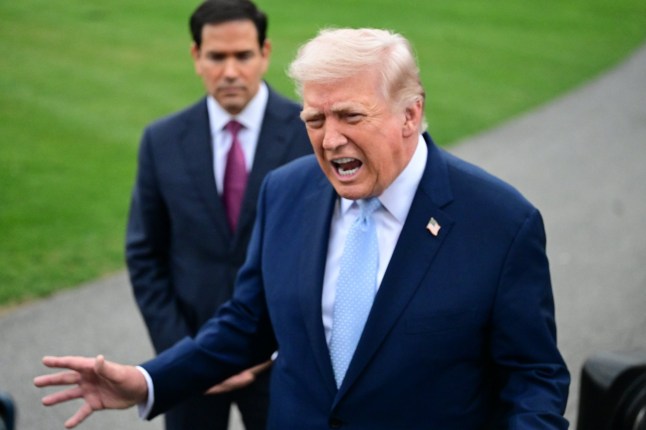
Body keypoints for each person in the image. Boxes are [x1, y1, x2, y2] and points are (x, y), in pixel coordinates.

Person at [35, 28, 570, 429]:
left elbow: (535, 378)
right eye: (315, 120)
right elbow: (248, 322)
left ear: (410, 114)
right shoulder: (286, 191)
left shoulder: (501, 222)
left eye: (350, 116)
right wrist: (148, 380)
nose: (329, 140)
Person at [124, 0, 311, 429]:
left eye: (242, 55)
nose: (230, 71)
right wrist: (187, 355)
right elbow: (145, 255)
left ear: (265, 53)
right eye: (216, 57)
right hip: (190, 366)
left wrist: (271, 348)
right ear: (196, 57)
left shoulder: (309, 134)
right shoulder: (161, 140)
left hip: (283, 365)